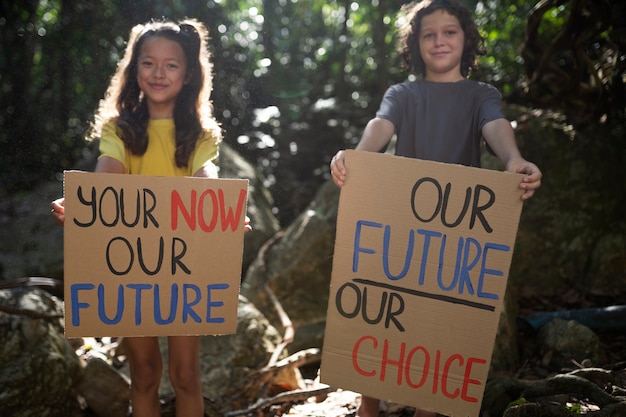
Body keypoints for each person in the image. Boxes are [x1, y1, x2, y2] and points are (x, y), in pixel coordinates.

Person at [329, 1, 542, 416]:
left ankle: (427, 409)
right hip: (400, 223)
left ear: (466, 40)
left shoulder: (481, 94)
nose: (439, 41)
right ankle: (368, 404)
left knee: (439, 320)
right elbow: (381, 124)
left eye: (450, 32)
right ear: (415, 44)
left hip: (456, 232)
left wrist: (513, 160)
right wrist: (358, 155)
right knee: (381, 310)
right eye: (429, 34)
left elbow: (495, 125)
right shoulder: (403, 94)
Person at [51, 19, 250, 417]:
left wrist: (220, 210)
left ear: (189, 73)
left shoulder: (201, 134)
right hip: (131, 270)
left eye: (171, 65)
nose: (159, 73)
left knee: (185, 375)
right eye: (148, 63)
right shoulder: (118, 129)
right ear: (134, 70)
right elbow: (108, 171)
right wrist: (88, 203)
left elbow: (205, 177)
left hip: (185, 269)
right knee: (143, 373)